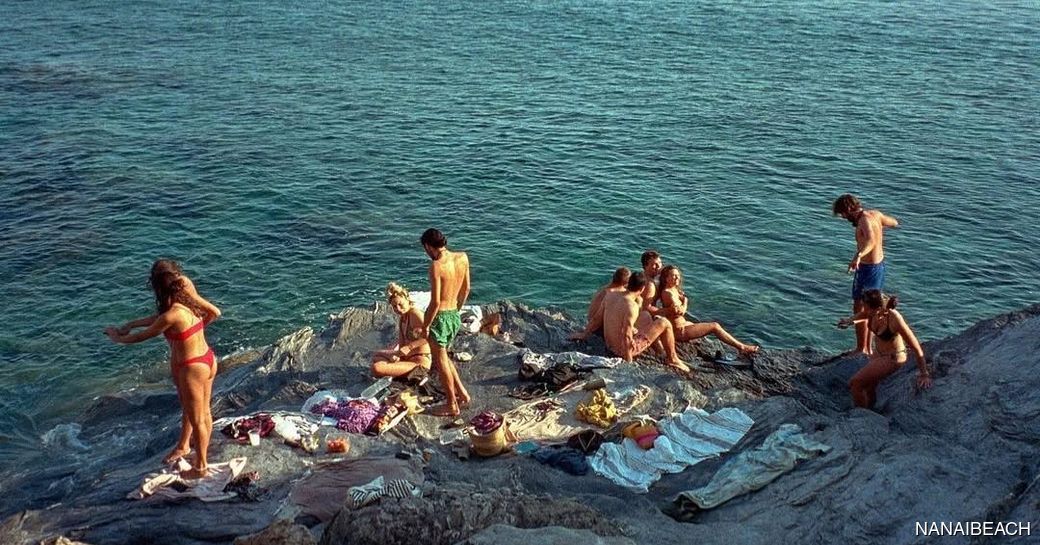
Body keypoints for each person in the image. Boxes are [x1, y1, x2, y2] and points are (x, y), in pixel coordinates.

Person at [105, 260, 221, 478]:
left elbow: (143, 336)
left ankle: (201, 467)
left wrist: (116, 337)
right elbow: (207, 313)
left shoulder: (172, 315)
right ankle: (184, 446)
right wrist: (132, 323)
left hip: (191, 367)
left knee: (199, 418)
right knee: (198, 410)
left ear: (157, 285)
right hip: (207, 358)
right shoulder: (185, 293)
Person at [837, 289, 931, 409]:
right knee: (869, 386)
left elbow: (916, 347)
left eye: (867, 308)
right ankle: (871, 408)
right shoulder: (873, 312)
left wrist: (924, 374)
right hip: (878, 354)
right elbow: (864, 314)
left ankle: (860, 414)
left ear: (878, 309)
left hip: (893, 357)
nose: (865, 311)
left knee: (855, 383)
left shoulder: (894, 319)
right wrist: (849, 321)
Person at [833, 194, 900, 355]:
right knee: (858, 305)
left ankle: (865, 348)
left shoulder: (864, 220)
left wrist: (859, 255)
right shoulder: (875, 215)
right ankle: (863, 346)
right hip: (869, 267)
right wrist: (882, 225)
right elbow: (894, 222)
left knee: (869, 308)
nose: (843, 218)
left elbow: (870, 241)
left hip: (871, 269)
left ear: (849, 209)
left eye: (843, 214)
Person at [419, 228, 472, 417]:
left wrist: (425, 326)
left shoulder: (436, 266)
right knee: (444, 358)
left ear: (428, 246)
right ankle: (463, 394)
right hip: (454, 314)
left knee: (440, 363)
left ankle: (451, 404)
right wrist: (456, 311)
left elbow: (435, 302)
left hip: (440, 317)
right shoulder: (462, 257)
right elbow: (466, 289)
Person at [656, 265, 760, 357]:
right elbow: (681, 312)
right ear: (666, 278)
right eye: (673, 275)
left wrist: (680, 297)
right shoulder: (668, 293)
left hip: (683, 325)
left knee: (699, 327)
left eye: (678, 275)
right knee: (714, 326)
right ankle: (742, 347)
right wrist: (685, 301)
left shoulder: (673, 290)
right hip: (680, 330)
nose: (677, 277)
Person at [602, 272, 690, 372]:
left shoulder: (611, 295)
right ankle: (673, 359)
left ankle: (659, 350)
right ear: (642, 288)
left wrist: (584, 334)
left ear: (628, 284)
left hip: (609, 343)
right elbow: (626, 334)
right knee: (664, 323)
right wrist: (628, 361)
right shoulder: (632, 306)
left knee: (645, 315)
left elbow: (596, 318)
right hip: (620, 350)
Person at [371, 282, 431, 378]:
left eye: (400, 304)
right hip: (407, 358)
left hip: (419, 362)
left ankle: (394, 371)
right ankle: (395, 370)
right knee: (377, 355)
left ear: (407, 299)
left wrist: (410, 347)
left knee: (376, 368)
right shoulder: (402, 318)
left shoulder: (415, 314)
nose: (398, 308)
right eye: (394, 306)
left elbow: (430, 335)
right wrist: (395, 355)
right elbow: (401, 344)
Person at [569, 267, 631, 341]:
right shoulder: (612, 294)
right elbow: (596, 318)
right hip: (597, 329)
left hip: (592, 323)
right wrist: (584, 334)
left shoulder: (606, 289)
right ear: (626, 283)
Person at [639, 250, 664, 315]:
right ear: (645, 266)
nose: (659, 266)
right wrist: (668, 311)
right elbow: (645, 308)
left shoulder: (641, 275)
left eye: (660, 263)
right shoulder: (649, 285)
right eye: (654, 264)